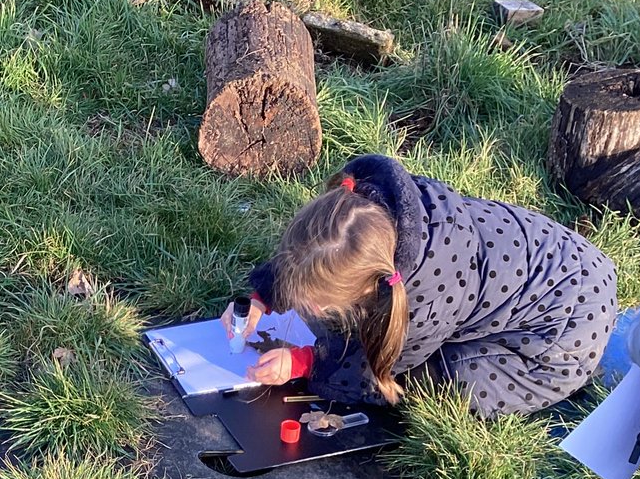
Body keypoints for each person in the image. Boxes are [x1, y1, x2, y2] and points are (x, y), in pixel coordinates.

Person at [222, 154, 618, 416]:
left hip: (561, 337)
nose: (307, 309)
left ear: (373, 285)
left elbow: (373, 373)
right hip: (564, 264)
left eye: (319, 304)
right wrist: (261, 299)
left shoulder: (424, 299)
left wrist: (304, 362)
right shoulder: (367, 215)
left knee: (440, 383)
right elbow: (311, 256)